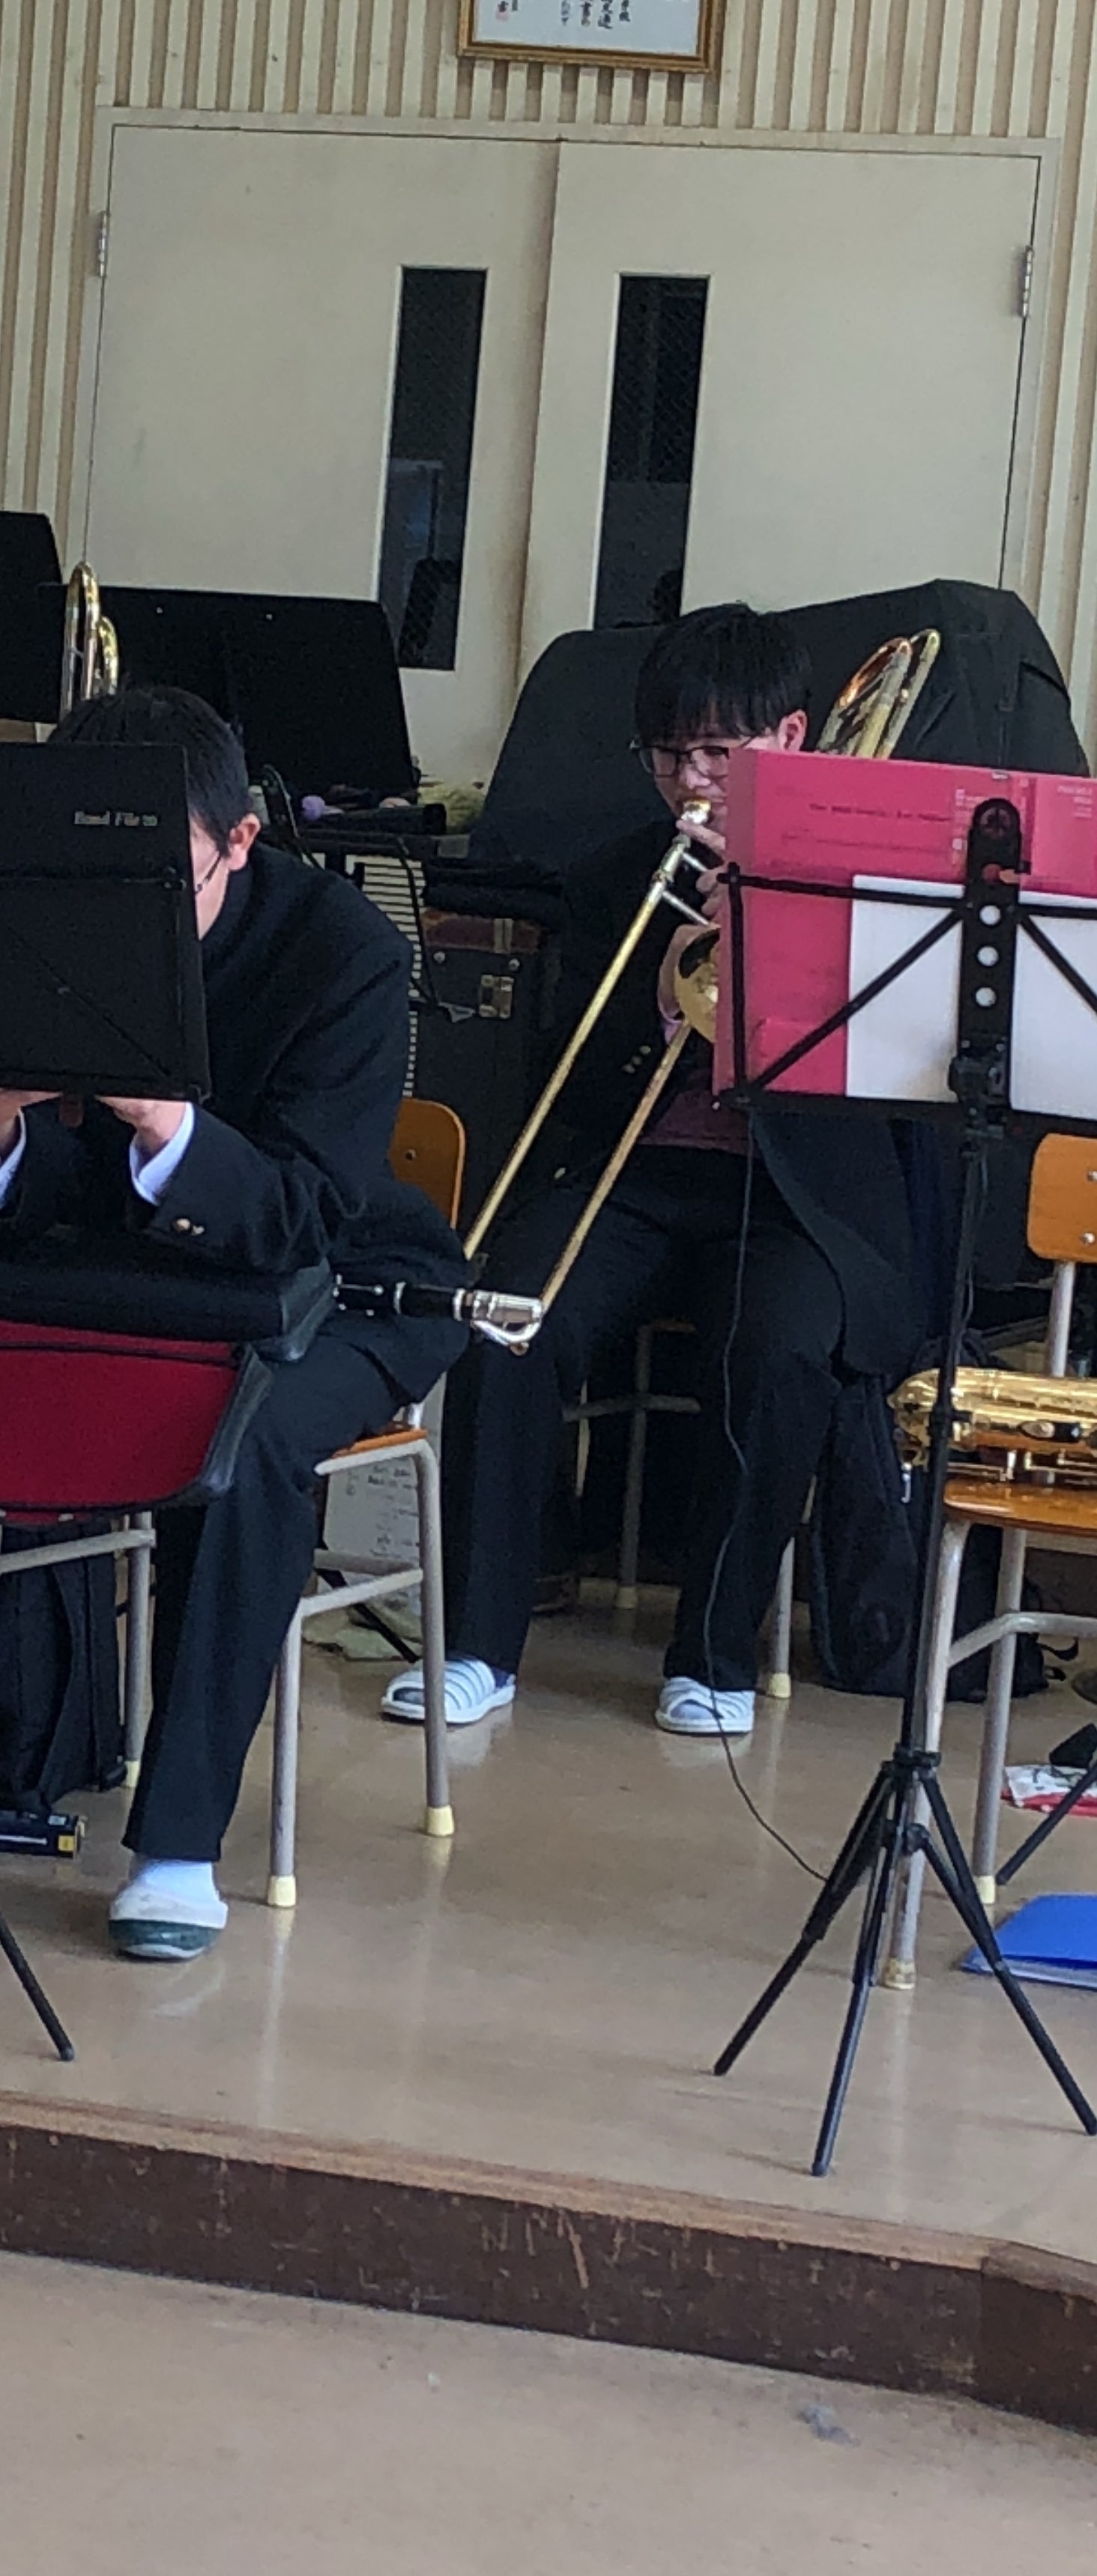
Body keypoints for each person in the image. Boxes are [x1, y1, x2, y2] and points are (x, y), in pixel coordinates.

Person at [0, 683, 468, 1962]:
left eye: (161, 871)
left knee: (249, 1447)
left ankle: (179, 1846)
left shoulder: (347, 952)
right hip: (106, 1276)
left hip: (333, 1283)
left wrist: (161, 1122)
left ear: (240, 841)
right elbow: (26, 1198)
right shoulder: (24, 913)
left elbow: (308, 1207)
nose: (121, 902)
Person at [385, 602, 922, 1742]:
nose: (691, 781)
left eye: (718, 752)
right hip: (633, 1175)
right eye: (668, 754)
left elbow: (893, 1082)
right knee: (506, 1318)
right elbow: (570, 1079)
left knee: (776, 1351)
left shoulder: (871, 886)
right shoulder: (615, 880)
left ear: (789, 736)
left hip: (794, 1202)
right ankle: (476, 1644)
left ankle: (716, 1657)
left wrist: (776, 935)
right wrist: (670, 984)